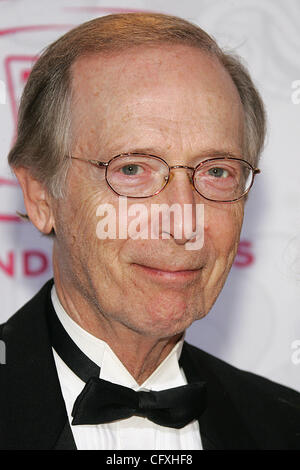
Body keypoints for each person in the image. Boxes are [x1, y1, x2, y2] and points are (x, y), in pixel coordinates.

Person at [0, 13, 299, 451]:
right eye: (133, 169)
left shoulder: (285, 426)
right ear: (42, 196)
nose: (183, 222)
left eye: (216, 171)